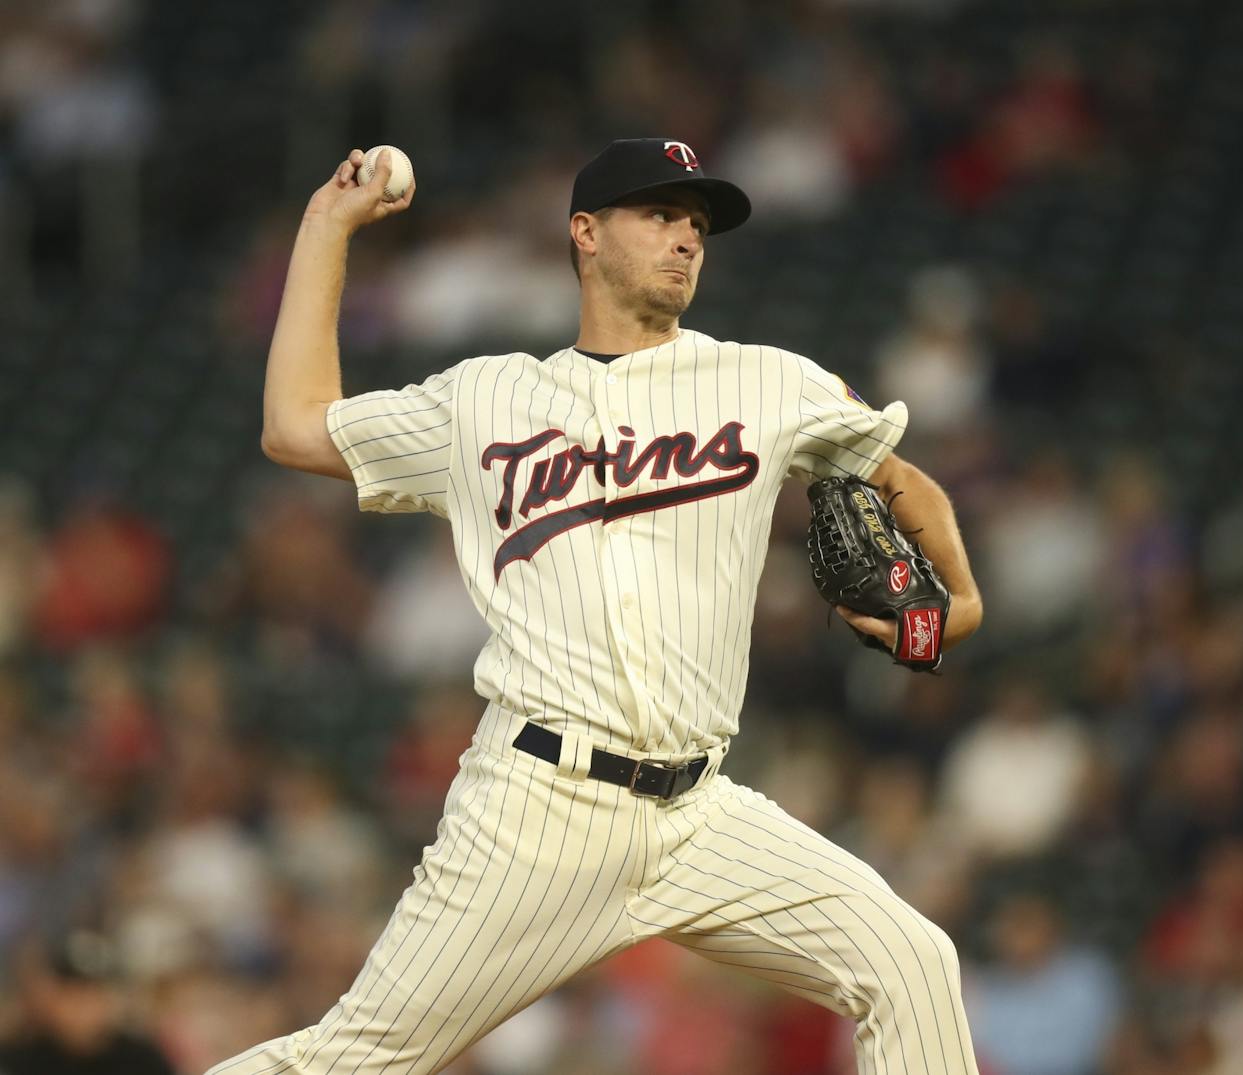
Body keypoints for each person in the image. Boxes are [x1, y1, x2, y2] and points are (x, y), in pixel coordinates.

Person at [212, 137, 983, 1075]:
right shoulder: (485, 398)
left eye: (697, 224)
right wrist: (326, 224)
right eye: (659, 214)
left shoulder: (768, 380)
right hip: (539, 808)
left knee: (911, 962)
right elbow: (295, 425)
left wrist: (963, 602)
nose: (686, 238)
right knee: (350, 1059)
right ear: (585, 233)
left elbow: (899, 477)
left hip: (698, 814)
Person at [0, 931, 174, 1075]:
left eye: (93, 995)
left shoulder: (142, 1060)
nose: (82, 1009)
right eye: (73, 995)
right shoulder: (19, 1059)